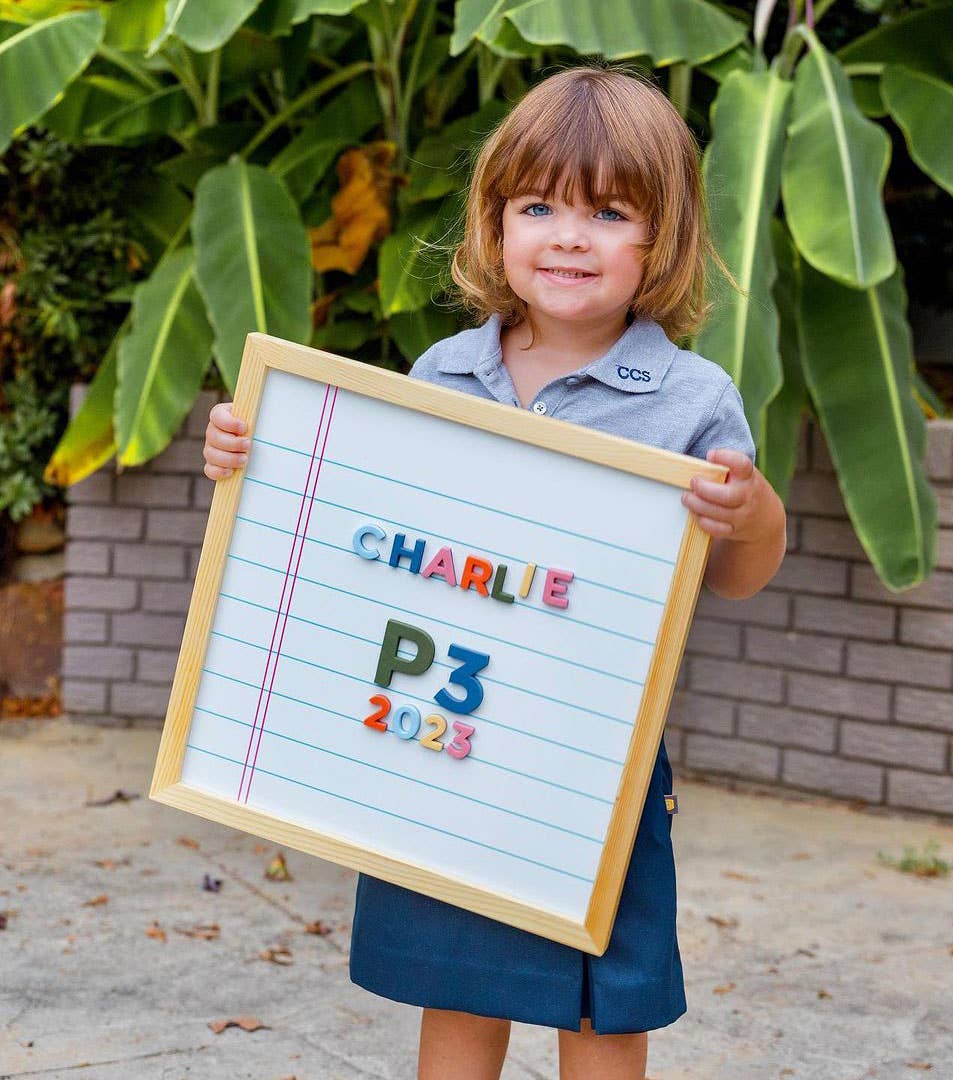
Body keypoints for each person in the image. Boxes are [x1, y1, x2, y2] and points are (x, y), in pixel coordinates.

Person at [202, 64, 787, 1080]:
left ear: (665, 240)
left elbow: (738, 575)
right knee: (458, 990)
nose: (569, 236)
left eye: (610, 212)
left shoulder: (692, 397)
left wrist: (751, 510)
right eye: (539, 207)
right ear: (495, 224)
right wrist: (256, 458)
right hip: (445, 748)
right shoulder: (441, 376)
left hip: (594, 763)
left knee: (602, 1006)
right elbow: (365, 532)